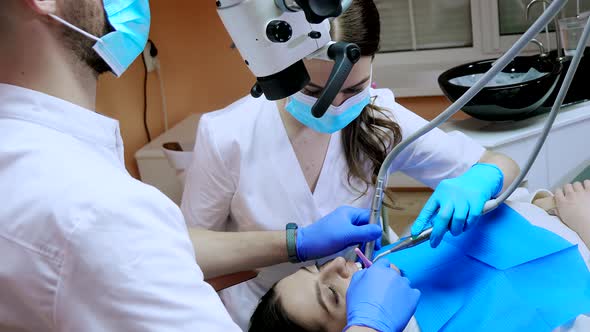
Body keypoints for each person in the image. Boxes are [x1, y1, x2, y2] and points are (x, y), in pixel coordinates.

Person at [0, 1, 419, 331]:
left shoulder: (47, 168)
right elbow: (128, 243)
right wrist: (370, 326)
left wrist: (297, 242)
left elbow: (164, 249)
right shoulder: (96, 210)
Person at [181, 0, 520, 327]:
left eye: (354, 89)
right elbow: (184, 249)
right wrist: (293, 243)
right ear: (281, 70)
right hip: (263, 317)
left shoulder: (378, 117)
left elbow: (500, 164)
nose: (336, 107)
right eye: (315, 92)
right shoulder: (227, 134)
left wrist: (480, 179)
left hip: (367, 310)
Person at [248, 190, 590, 332]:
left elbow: (511, 198)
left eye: (318, 268)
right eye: (332, 294)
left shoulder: (391, 259)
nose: (338, 266)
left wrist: (540, 202)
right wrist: (585, 227)